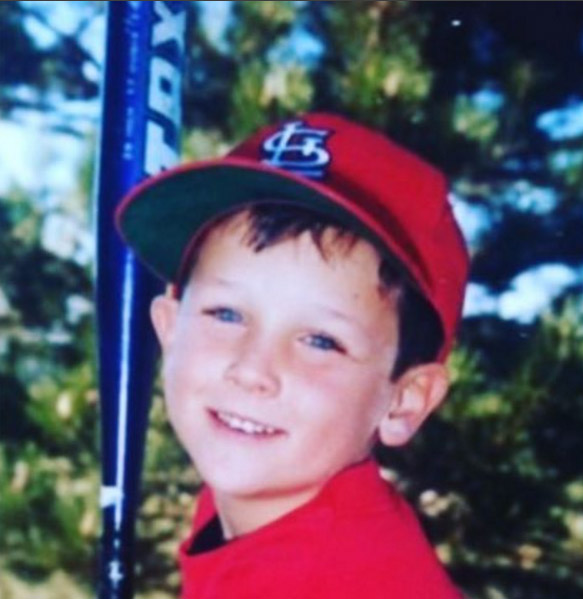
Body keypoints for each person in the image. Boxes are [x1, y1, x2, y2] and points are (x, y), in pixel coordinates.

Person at [116, 112, 469, 598]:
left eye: (321, 341)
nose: (252, 370)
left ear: (405, 400)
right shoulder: (255, 511)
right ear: (169, 328)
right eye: (226, 314)